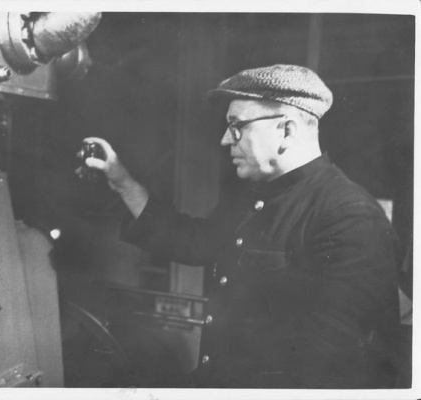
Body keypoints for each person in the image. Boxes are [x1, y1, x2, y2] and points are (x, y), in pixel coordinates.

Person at [78, 64, 402, 388]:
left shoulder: (351, 217)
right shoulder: (251, 198)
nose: (225, 139)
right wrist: (122, 182)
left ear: (287, 131)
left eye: (237, 126)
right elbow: (193, 240)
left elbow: (327, 371)